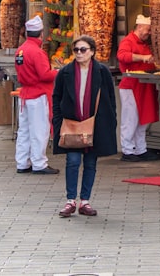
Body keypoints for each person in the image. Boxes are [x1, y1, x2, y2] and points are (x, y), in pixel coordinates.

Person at [52, 35, 118, 218]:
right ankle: (70, 200)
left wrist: (111, 121)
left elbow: (110, 99)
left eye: (83, 50)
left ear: (92, 52)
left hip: (95, 124)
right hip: (71, 124)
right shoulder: (65, 72)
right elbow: (56, 98)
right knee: (72, 161)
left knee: (90, 163)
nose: (79, 54)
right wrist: (57, 121)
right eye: (76, 50)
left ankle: (85, 201)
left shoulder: (101, 71)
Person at [14, 14, 59, 175]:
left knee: (24, 130)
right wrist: (58, 72)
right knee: (40, 130)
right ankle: (39, 163)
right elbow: (44, 75)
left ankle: (22, 162)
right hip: (38, 95)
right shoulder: (37, 52)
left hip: (25, 95)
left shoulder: (20, 50)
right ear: (41, 34)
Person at [116, 14, 160, 162]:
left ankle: (140, 149)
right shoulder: (128, 41)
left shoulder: (144, 44)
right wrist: (142, 58)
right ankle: (128, 150)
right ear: (139, 27)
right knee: (131, 119)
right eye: (148, 30)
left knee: (143, 119)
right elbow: (122, 56)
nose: (149, 33)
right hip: (131, 86)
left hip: (144, 85)